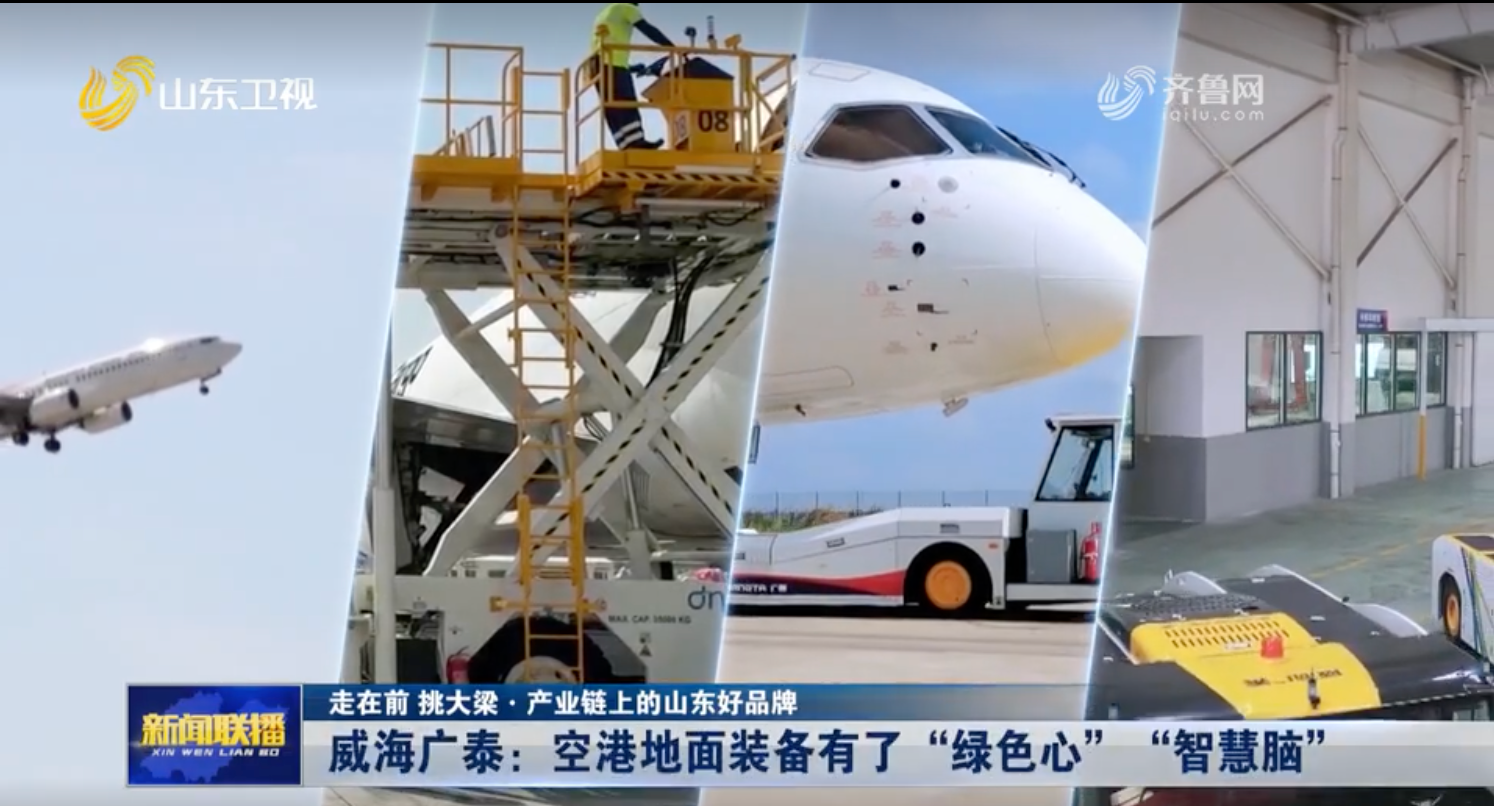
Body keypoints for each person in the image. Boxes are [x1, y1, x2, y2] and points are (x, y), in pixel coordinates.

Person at [590, 3, 674, 150]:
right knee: (627, 102)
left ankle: (624, 144)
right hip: (613, 63)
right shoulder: (627, 7)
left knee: (612, 108)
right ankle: (637, 142)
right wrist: (672, 48)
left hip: (596, 67)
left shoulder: (604, 13)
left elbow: (605, 44)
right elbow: (647, 29)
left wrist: (630, 68)